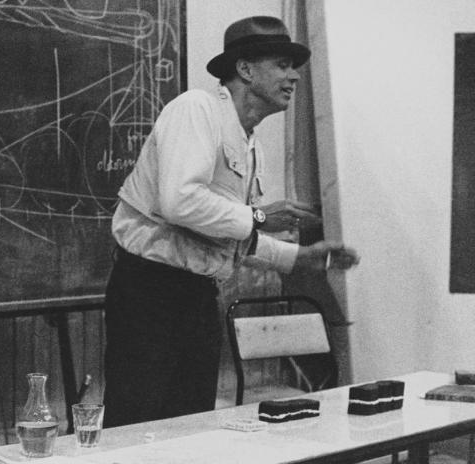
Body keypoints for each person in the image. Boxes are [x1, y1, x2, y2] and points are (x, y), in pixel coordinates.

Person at [101, 16, 360, 428]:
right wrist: (259, 216)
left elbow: (228, 235)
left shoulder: (249, 140)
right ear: (245, 69)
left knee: (187, 427)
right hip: (150, 293)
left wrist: (303, 258)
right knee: (136, 423)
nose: (294, 77)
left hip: (197, 296)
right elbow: (179, 201)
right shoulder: (196, 109)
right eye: (282, 64)